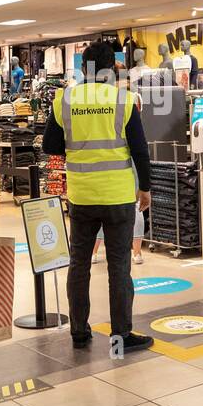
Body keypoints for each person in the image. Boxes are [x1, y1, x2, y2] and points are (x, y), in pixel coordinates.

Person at [44, 41, 154, 353]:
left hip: (81, 195)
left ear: (83, 68)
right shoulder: (123, 99)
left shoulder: (65, 99)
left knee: (79, 263)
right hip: (118, 195)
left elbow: (50, 146)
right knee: (119, 266)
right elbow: (140, 151)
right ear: (114, 67)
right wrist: (144, 188)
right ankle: (122, 335)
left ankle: (79, 332)